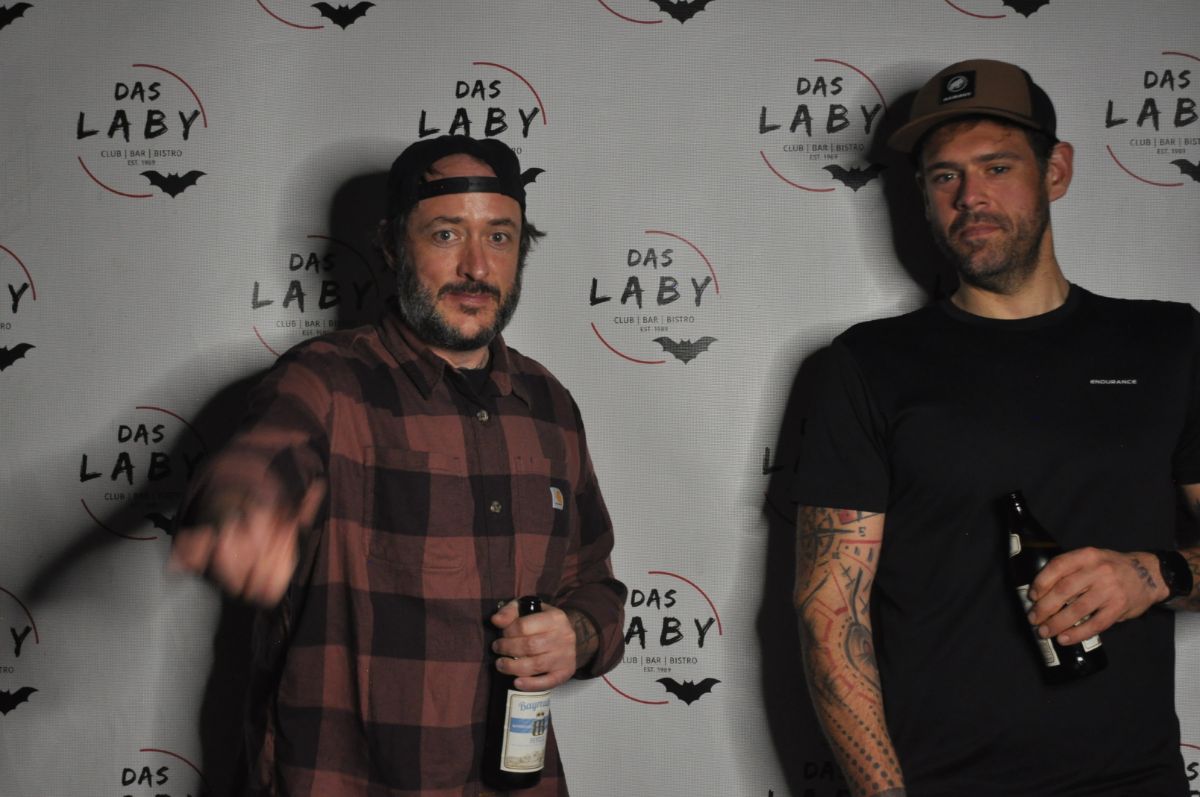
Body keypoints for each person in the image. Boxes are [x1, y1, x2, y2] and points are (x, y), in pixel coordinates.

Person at [170, 135, 627, 796]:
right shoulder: (326, 380)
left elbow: (595, 582)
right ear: (391, 246)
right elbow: (259, 463)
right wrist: (240, 511)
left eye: (499, 237)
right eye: (446, 234)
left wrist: (577, 633)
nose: (476, 266)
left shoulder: (550, 405)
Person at [792, 58, 1200, 796]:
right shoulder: (867, 364)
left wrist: (1155, 573)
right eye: (944, 176)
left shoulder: (1168, 343)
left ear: (1057, 170)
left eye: (998, 166)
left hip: (1136, 781)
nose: (970, 196)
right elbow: (831, 614)